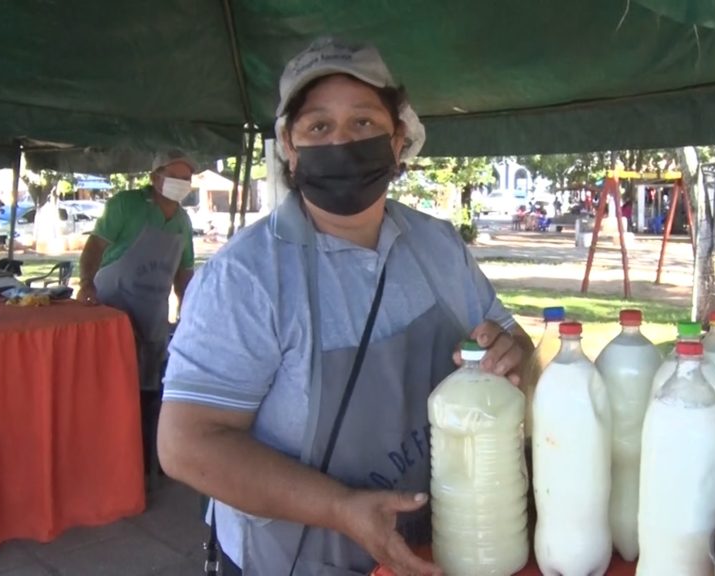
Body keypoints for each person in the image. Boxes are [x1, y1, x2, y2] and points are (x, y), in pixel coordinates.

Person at [157, 37, 533, 576]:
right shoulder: (246, 277)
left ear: (398, 140)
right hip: (296, 559)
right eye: (318, 127)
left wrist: (511, 352)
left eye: (363, 124)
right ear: (289, 146)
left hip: (445, 545)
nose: (342, 142)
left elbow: (509, 338)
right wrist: (339, 508)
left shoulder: (438, 245)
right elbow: (187, 444)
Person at [76, 152, 197, 465]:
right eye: (175, 177)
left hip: (153, 312)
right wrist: (86, 283)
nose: (181, 184)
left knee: (147, 385)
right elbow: (94, 247)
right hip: (111, 308)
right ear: (155, 178)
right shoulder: (126, 204)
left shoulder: (183, 221)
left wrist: (188, 311)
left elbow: (183, 274)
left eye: (186, 179)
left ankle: (142, 459)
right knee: (109, 384)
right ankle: (103, 454)